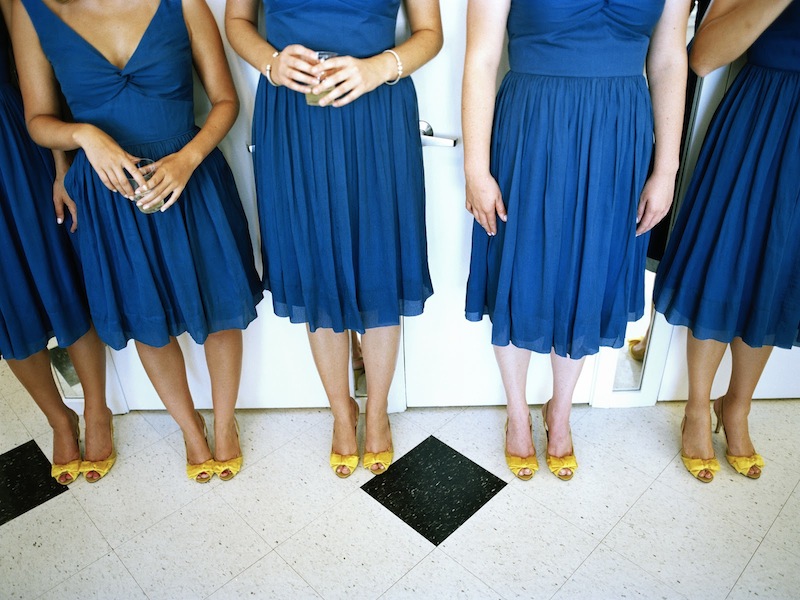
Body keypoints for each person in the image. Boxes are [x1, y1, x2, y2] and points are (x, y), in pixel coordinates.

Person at [13, 0, 262, 482]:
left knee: (219, 310)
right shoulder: (33, 11)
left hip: (192, 179)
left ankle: (225, 424)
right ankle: (191, 432)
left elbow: (226, 101)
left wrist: (187, 160)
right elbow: (38, 122)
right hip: (110, 195)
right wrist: (84, 134)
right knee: (148, 316)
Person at [463, 0, 691, 480]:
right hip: (533, 131)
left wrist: (666, 168)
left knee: (589, 276)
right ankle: (518, 414)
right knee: (521, 274)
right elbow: (482, 57)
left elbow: (670, 57)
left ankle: (560, 413)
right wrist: (476, 169)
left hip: (618, 136)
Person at [225, 0, 442, 477]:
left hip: (377, 110)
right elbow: (237, 23)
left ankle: (378, 411)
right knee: (315, 265)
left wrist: (378, 69)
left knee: (381, 263)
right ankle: (342, 414)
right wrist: (271, 63)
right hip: (293, 116)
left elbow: (431, 33)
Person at [654, 0, 798, 482]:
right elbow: (703, 56)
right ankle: (697, 408)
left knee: (780, 276)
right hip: (763, 121)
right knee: (727, 261)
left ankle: (736, 407)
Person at [0, 0, 112, 484]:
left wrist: (61, 167)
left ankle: (97, 408)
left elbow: (37, 76)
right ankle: (58, 419)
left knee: (58, 274)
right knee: (6, 308)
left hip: (13, 144)